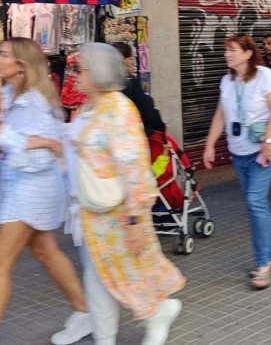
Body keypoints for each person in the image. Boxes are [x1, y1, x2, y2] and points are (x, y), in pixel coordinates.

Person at [0, 38, 91, 345]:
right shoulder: (12, 93)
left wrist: (9, 137)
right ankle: (84, 311)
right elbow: (31, 145)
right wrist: (5, 142)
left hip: (31, 190)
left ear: (22, 65)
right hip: (20, 186)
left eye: (3, 55)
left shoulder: (35, 102)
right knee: (45, 250)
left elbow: (43, 155)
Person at [64, 42, 184, 344]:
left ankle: (159, 312)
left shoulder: (119, 109)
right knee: (98, 279)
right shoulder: (87, 108)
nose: (74, 75)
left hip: (118, 213)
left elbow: (134, 167)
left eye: (81, 69)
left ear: (99, 72)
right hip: (92, 213)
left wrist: (134, 219)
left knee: (129, 275)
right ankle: (108, 337)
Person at [203, 34, 271, 289]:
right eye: (226, 50)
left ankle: (262, 265)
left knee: (254, 201)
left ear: (248, 53)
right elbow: (220, 114)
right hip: (238, 150)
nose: (227, 54)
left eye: (233, 50)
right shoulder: (226, 81)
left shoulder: (265, 75)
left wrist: (269, 141)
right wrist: (209, 145)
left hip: (265, 147)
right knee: (257, 204)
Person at [110, 42, 166, 136]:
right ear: (126, 60)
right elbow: (147, 111)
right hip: (133, 138)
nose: (132, 61)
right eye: (131, 58)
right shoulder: (130, 84)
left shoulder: (105, 85)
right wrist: (161, 128)